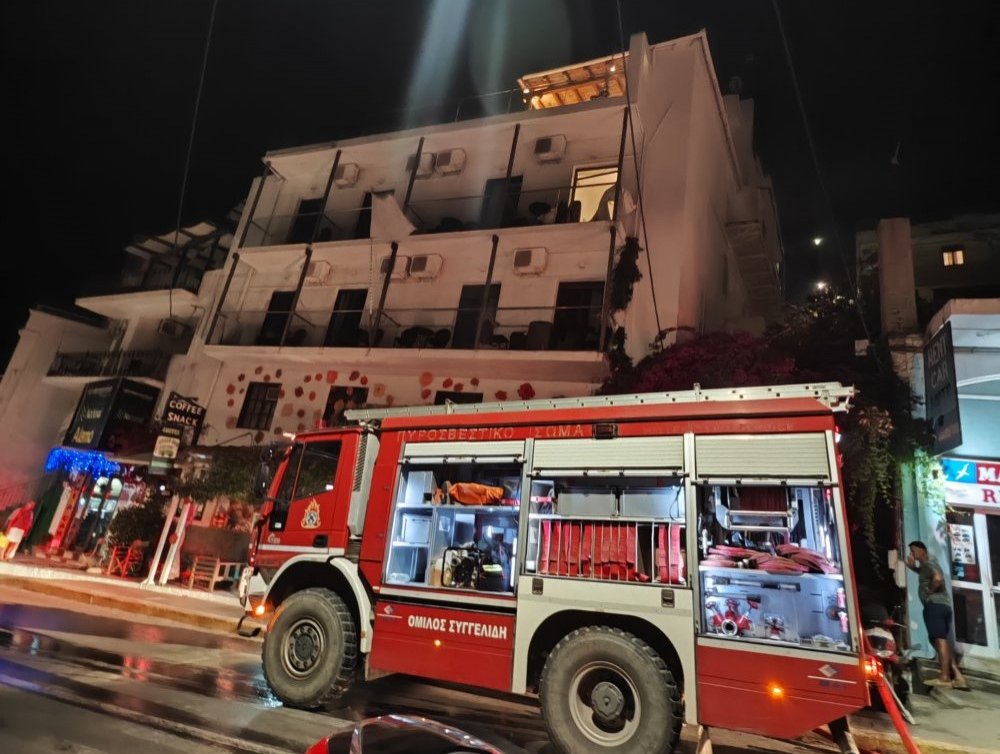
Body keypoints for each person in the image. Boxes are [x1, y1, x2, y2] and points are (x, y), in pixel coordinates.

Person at [906, 540, 969, 689]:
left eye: (914, 551)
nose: (912, 555)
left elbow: (938, 578)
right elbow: (926, 573)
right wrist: (912, 568)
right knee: (940, 641)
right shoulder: (926, 566)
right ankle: (958, 676)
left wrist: (930, 591)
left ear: (923, 551)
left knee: (939, 641)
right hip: (942, 607)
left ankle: (945, 677)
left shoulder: (928, 563)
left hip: (935, 606)